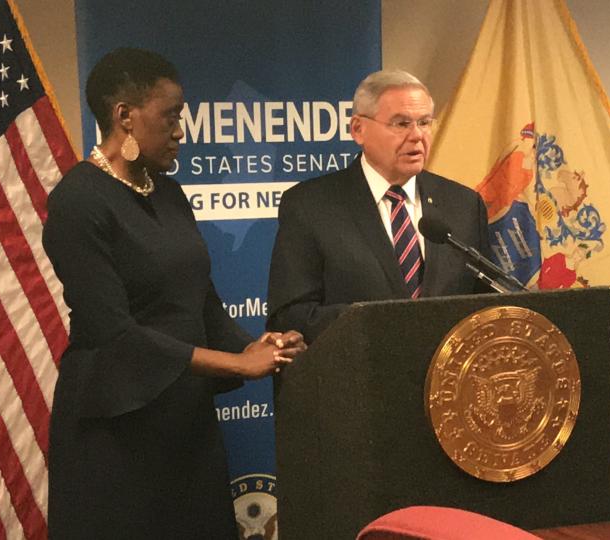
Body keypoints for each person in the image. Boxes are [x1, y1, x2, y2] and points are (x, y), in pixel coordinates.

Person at [42, 48, 304, 538]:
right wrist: (235, 366)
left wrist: (250, 345)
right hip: (116, 428)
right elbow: (112, 331)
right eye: (171, 115)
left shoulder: (168, 192)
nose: (181, 130)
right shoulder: (78, 201)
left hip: (183, 422)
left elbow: (199, 300)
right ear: (125, 116)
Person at [267, 69, 491, 343]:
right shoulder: (310, 206)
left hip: (448, 380)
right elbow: (290, 317)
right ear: (358, 130)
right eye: (401, 124)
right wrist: (384, 323)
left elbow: (486, 303)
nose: (417, 136)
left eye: (424, 122)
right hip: (359, 377)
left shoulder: (464, 204)